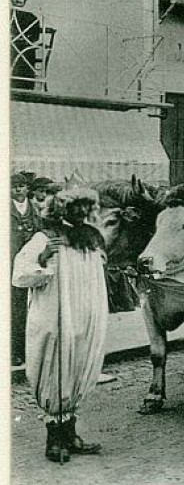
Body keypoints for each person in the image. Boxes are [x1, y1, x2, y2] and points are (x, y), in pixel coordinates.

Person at [12, 185, 108, 462]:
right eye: (75, 206)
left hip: (82, 315)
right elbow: (20, 275)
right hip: (54, 314)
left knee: (78, 366)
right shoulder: (45, 237)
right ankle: (54, 439)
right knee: (55, 369)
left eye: (85, 207)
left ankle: (72, 435)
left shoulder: (91, 238)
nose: (81, 212)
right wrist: (43, 259)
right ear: (63, 208)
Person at [11, 171, 40, 366]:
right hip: (11, 264)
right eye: (14, 185)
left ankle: (32, 350)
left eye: (21, 185)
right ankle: (15, 352)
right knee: (16, 308)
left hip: (33, 262)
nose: (18, 188)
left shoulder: (36, 209)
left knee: (37, 307)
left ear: (27, 188)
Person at [11, 0, 41, 89]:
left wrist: (24, 40)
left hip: (24, 47)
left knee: (26, 55)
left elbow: (35, 36)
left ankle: (24, 87)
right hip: (8, 45)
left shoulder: (31, 17)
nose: (17, 0)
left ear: (24, 1)